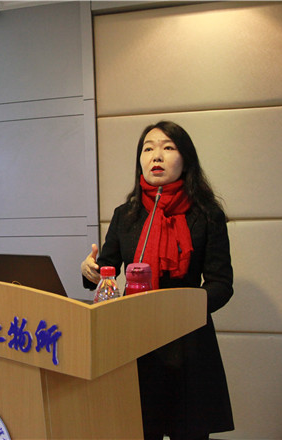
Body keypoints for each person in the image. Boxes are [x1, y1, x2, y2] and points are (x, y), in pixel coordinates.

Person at [81, 121, 234, 440]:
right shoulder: (126, 215)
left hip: (188, 340)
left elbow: (221, 283)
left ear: (186, 160)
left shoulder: (207, 215)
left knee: (188, 430)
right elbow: (106, 269)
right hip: (135, 340)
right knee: (138, 430)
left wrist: (183, 308)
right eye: (148, 148)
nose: (156, 156)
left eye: (168, 147)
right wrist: (91, 270)